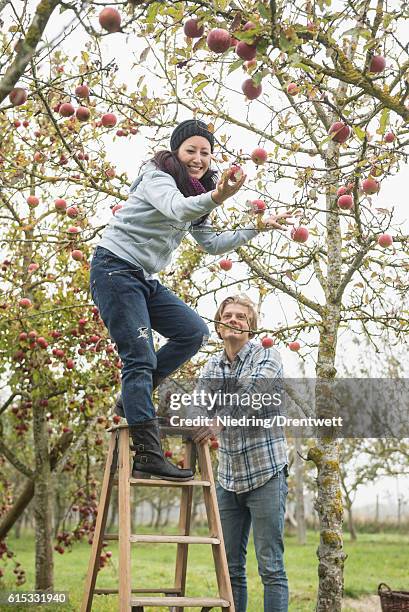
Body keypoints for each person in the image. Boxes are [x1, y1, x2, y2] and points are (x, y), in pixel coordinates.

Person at [90, 118, 293, 482]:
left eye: (205, 152)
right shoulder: (157, 177)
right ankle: (148, 452)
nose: (199, 158)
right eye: (191, 150)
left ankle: (133, 396)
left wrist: (256, 226)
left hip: (142, 277)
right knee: (139, 357)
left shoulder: (197, 189)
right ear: (176, 152)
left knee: (194, 333)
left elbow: (211, 243)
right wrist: (219, 196)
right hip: (114, 269)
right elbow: (178, 210)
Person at [193, 295, 289, 612]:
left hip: (266, 473)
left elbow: (254, 395)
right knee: (230, 567)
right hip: (229, 477)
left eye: (241, 317)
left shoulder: (267, 354)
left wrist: (217, 419)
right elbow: (199, 403)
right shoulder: (212, 366)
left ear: (250, 326)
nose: (234, 321)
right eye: (228, 316)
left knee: (270, 567)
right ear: (219, 327)